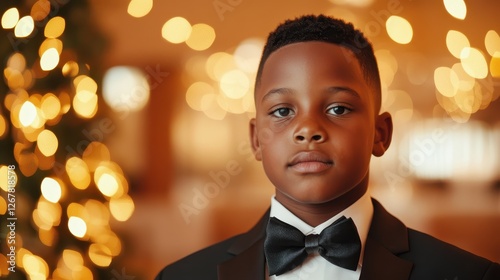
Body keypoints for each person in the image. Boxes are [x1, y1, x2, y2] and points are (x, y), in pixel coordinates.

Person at [155, 14, 500, 280]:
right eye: (283, 111)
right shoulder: (181, 276)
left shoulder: (469, 275)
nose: (307, 129)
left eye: (338, 109)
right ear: (255, 138)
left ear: (380, 134)